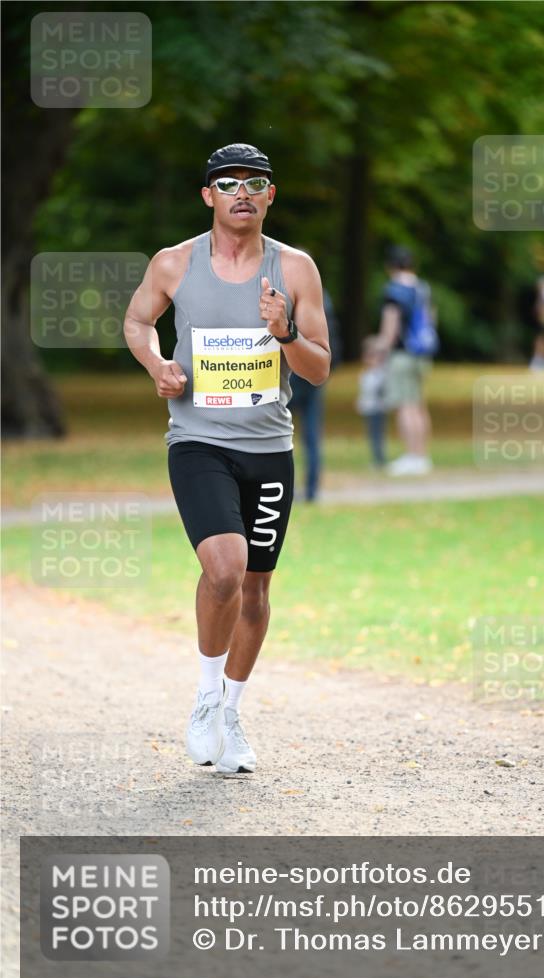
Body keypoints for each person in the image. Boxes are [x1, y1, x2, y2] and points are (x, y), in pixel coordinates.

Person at [123, 142, 330, 775]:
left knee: (257, 590)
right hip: (198, 442)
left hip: (269, 448)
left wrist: (286, 334)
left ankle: (233, 712)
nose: (243, 190)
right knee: (224, 571)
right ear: (208, 194)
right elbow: (137, 321)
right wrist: (158, 364)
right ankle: (206, 696)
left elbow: (318, 369)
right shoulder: (174, 263)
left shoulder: (294, 269)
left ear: (271, 196)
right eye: (228, 181)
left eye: (256, 182)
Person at [375, 245, 435, 476]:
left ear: (390, 265)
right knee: (418, 404)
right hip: (422, 353)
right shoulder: (422, 287)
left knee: (405, 406)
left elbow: (390, 328)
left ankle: (413, 457)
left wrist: (380, 349)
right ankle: (422, 455)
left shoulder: (394, 290)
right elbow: (430, 319)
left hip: (402, 355)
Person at [288, 288, 341, 501]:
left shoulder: (286, 294)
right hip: (314, 377)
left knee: (278, 433)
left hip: (292, 374)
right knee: (311, 435)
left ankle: (286, 488)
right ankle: (311, 490)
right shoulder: (320, 297)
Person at [356, 336, 387, 468]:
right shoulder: (364, 375)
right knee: (372, 435)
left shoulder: (381, 375)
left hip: (378, 410)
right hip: (369, 409)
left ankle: (380, 460)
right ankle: (376, 458)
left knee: (378, 435)